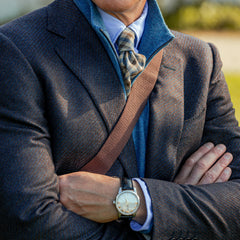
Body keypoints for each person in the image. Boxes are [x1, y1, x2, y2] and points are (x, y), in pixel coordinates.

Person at [0, 0, 239, 239]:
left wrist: (135, 199)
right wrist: (180, 216)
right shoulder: (16, 49)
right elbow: (29, 219)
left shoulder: (201, 60)